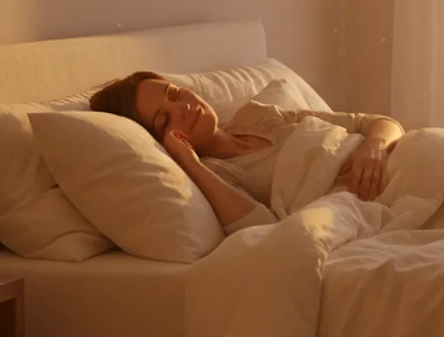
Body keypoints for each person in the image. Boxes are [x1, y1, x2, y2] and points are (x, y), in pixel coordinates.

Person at [89, 72, 405, 234]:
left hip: (399, 161)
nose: (183, 107)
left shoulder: (257, 115)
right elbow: (262, 230)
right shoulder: (216, 175)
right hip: (374, 201)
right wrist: (190, 163)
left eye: (174, 94)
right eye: (164, 119)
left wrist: (374, 146)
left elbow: (377, 123)